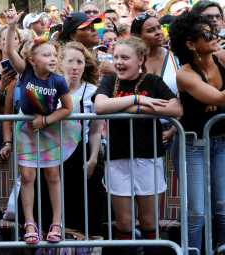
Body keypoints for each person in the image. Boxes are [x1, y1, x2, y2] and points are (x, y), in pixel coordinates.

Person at [95, 37, 182, 253]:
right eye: (116, 57)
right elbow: (100, 106)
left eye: (125, 57)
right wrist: (137, 100)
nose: (119, 62)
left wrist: (135, 110)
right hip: (117, 157)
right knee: (124, 222)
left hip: (148, 156)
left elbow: (175, 109)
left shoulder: (153, 82)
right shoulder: (109, 81)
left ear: (140, 59)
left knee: (149, 221)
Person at [5, 7, 74, 244]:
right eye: (45, 55)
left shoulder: (59, 80)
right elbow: (9, 51)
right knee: (27, 176)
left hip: (49, 129)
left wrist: (46, 120)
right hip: (26, 130)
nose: (52, 58)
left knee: (53, 175)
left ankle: (56, 221)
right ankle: (30, 222)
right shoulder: (25, 73)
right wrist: (12, 25)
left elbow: (67, 108)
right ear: (32, 60)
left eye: (54, 55)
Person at [169, 11, 225, 253]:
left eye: (213, 30)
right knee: (197, 211)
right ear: (190, 44)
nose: (213, 36)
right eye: (205, 33)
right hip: (193, 146)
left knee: (223, 206)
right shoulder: (185, 74)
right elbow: (219, 99)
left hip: (221, 142)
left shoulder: (222, 58)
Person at [59, 41, 105, 235]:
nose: (75, 66)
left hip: (81, 151)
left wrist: (93, 157)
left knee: (84, 208)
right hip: (54, 152)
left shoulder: (93, 92)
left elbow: (95, 130)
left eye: (80, 62)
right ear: (60, 62)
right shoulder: (51, 88)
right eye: (70, 61)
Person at [131, 12, 180, 145]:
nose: (158, 32)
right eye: (151, 30)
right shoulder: (131, 62)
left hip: (177, 129)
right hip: (140, 132)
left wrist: (173, 130)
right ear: (138, 37)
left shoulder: (176, 58)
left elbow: (186, 98)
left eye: (159, 27)